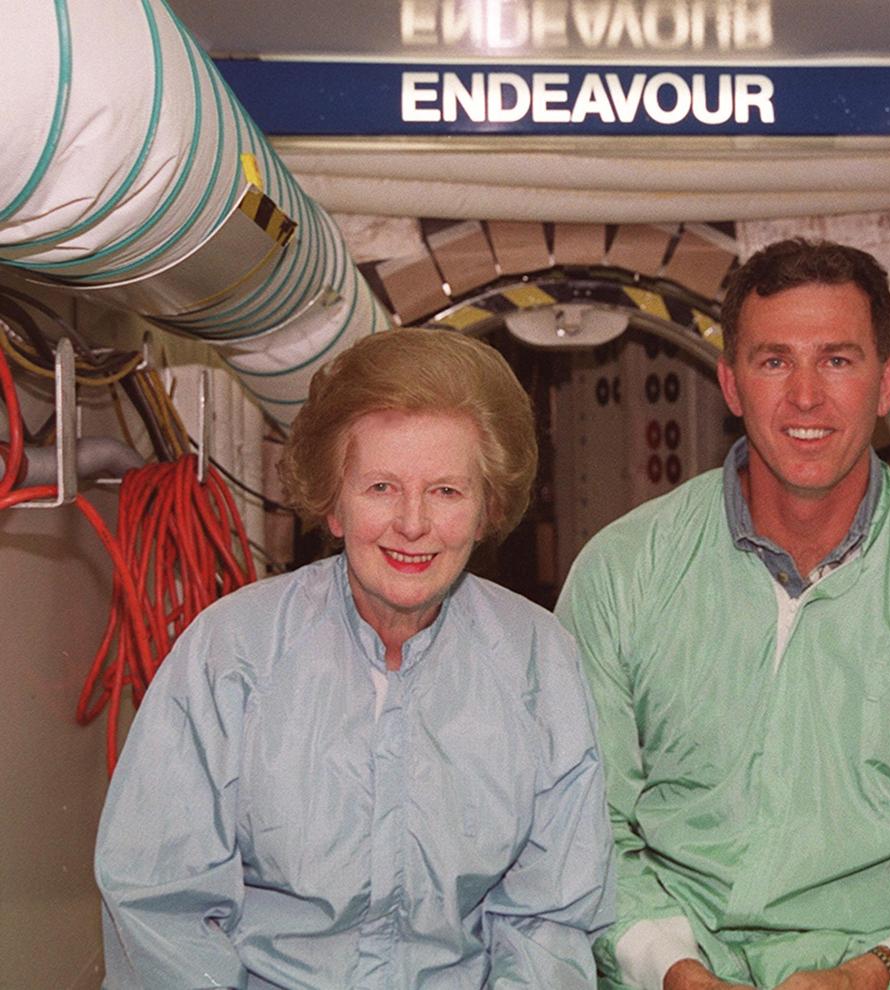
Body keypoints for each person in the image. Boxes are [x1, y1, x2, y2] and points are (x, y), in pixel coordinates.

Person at [556, 239, 890, 990]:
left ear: (885, 382)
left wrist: (882, 970)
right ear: (731, 383)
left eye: (837, 360)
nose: (805, 396)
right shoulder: (623, 572)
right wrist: (669, 967)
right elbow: (579, 825)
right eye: (774, 361)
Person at [96, 328, 616, 989]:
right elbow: (159, 907)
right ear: (333, 504)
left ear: (488, 510)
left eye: (447, 491)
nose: (412, 523)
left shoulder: (540, 662)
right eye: (380, 487)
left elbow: (550, 919)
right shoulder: (231, 652)